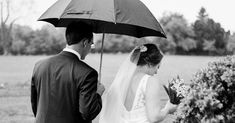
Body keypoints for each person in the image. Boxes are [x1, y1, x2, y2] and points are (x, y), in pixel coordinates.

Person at [31, 21, 105, 123]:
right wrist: (97, 94)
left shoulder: (39, 65)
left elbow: (36, 105)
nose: (90, 48)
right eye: (91, 44)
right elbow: (88, 113)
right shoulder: (88, 73)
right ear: (85, 42)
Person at [99, 43, 177, 123]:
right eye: (158, 67)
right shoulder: (150, 81)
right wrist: (168, 109)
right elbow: (154, 117)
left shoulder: (123, 80)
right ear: (149, 64)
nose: (156, 72)